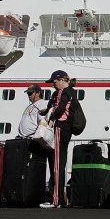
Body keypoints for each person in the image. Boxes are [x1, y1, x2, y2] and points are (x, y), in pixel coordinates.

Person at [39, 70, 76, 209]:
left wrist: (49, 113)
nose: (53, 85)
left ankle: (56, 200)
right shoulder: (72, 92)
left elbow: (59, 110)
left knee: (57, 165)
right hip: (68, 129)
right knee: (61, 163)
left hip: (60, 127)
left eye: (54, 82)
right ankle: (60, 198)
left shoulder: (63, 92)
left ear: (61, 80)